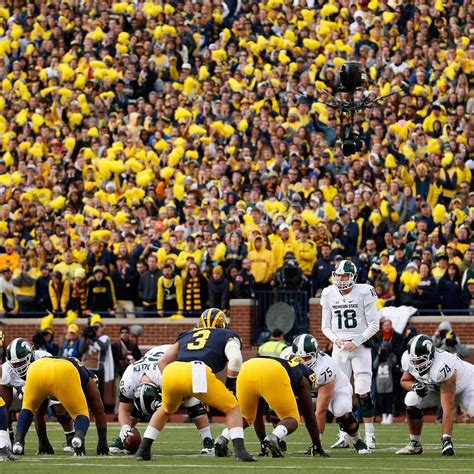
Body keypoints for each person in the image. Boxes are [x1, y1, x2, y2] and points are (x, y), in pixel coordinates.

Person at [134, 308, 255, 462]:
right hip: (198, 370)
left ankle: (143, 450)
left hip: (172, 371)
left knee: (165, 409)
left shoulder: (187, 334)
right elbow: (236, 360)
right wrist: (230, 383)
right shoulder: (227, 335)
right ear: (223, 324)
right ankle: (240, 451)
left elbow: (162, 361)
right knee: (232, 407)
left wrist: (172, 382)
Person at [110, 344, 215, 456]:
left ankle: (208, 442)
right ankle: (123, 437)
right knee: (138, 405)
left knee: (192, 401)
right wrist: (125, 427)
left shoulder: (167, 375)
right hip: (154, 358)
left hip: (178, 355)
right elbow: (123, 409)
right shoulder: (129, 379)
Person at [219, 354, 328, 458]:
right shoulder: (305, 373)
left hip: (247, 366)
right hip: (272, 371)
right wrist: (317, 445)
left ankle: (223, 437)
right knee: (292, 418)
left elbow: (258, 415)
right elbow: (309, 415)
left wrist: (263, 444)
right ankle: (274, 436)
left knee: (246, 417)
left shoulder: (284, 364)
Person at [321, 259, 380, 449]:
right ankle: (344, 434)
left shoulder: (365, 291)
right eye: (338, 275)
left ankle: (370, 435)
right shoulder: (328, 293)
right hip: (339, 348)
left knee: (362, 391)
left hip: (360, 346)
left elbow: (374, 324)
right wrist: (335, 340)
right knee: (339, 392)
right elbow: (325, 326)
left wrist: (356, 341)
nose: (340, 279)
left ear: (353, 276)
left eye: (344, 275)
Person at [281, 334, 370, 454]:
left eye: (307, 358)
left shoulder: (325, 367)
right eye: (299, 358)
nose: (302, 362)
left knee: (341, 410)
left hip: (336, 389)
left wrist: (317, 443)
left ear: (315, 354)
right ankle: (280, 440)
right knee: (277, 405)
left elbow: (321, 410)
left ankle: (358, 440)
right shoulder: (285, 355)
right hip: (310, 390)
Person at [11, 356, 109, 456]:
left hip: (36, 368)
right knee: (81, 413)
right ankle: (78, 438)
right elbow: (99, 412)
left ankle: (18, 441)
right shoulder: (89, 381)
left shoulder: (77, 369)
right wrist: (103, 443)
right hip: (64, 371)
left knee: (28, 409)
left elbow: (39, 414)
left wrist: (43, 443)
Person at [396, 334, 474, 456]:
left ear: (430, 356)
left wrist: (446, 440)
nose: (416, 364)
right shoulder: (408, 358)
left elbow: (448, 408)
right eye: (414, 361)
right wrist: (414, 386)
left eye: (420, 360)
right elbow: (404, 380)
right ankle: (415, 444)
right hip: (436, 388)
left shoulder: (441, 366)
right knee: (411, 399)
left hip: (466, 384)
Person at [1, 338, 75, 454]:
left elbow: (52, 383)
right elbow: (5, 403)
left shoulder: (44, 358)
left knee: (59, 406)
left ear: (31, 355)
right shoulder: (6, 369)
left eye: (21, 362)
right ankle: (8, 439)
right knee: (3, 409)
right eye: (15, 364)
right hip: (18, 394)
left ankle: (70, 436)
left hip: (44, 389)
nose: (18, 367)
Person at [373, 341, 397, 424]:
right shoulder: (378, 356)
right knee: (382, 401)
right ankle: (384, 416)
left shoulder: (392, 356)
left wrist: (388, 355)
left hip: (389, 382)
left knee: (389, 400)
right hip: (380, 382)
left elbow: (392, 364)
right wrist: (379, 356)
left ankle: (390, 416)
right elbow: (374, 366)